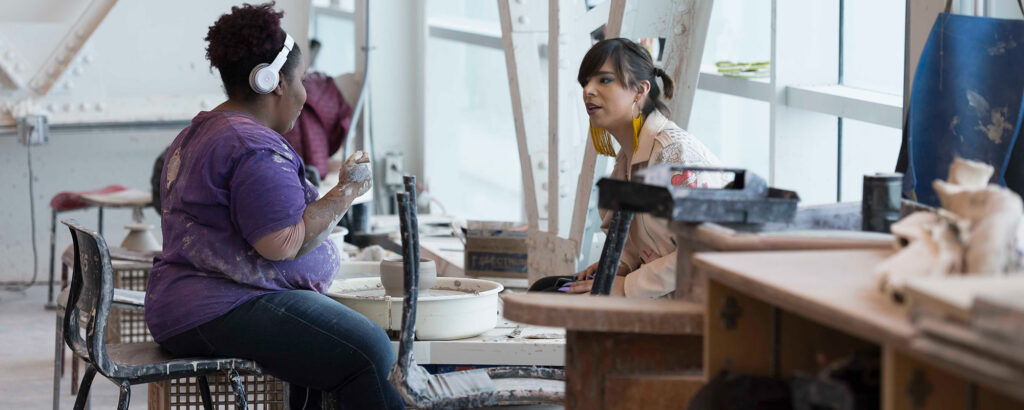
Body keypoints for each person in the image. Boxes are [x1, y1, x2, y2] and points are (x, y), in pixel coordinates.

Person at [144, 3, 403, 409]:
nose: (304, 94)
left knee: (326, 349)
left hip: (190, 303)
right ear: (275, 82)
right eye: (301, 79)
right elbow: (282, 242)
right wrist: (346, 191)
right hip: (217, 306)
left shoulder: (205, 130)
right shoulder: (252, 146)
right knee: (370, 351)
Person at [530, 38, 728, 298]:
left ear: (640, 90)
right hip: (662, 295)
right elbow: (642, 237)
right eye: (585, 82)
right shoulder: (629, 156)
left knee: (554, 301)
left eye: (604, 80)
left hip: (704, 304)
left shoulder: (676, 156)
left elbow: (707, 247)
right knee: (545, 289)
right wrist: (619, 265)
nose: (588, 90)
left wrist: (627, 286)